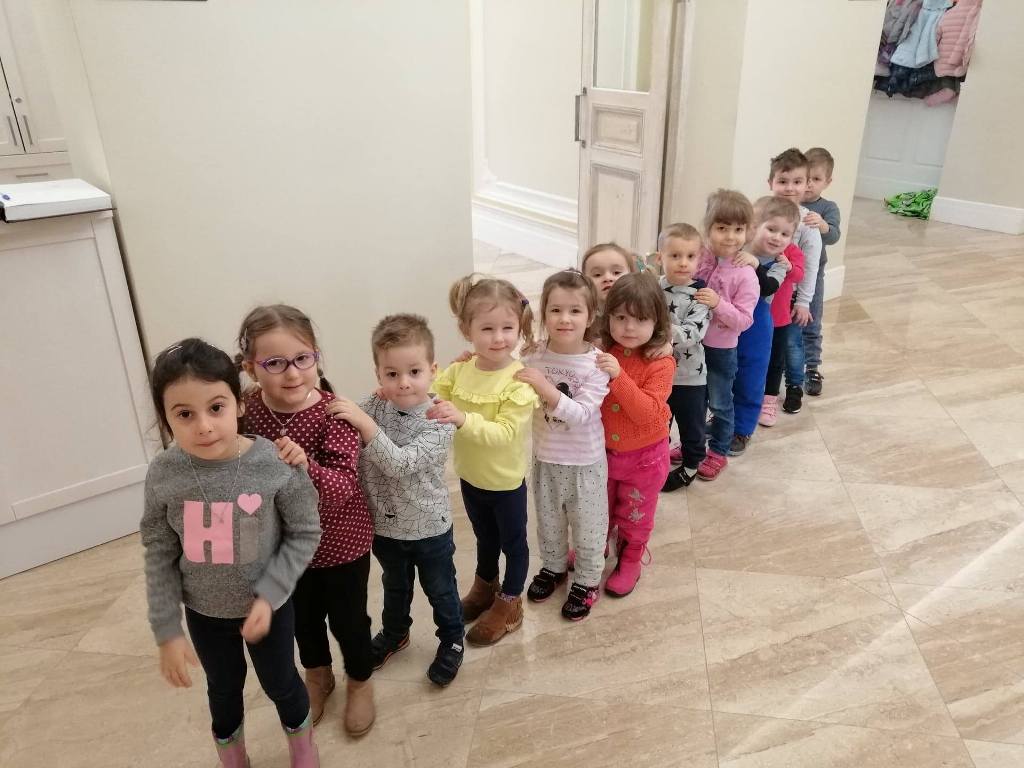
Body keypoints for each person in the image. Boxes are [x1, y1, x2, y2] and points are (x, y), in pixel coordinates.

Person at [140, 338, 322, 768]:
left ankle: (304, 750)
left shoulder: (275, 462)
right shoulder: (164, 473)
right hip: (205, 613)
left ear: (239, 404)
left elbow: (304, 532)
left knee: (281, 682)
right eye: (185, 414)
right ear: (165, 418)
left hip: (269, 609)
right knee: (222, 690)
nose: (204, 426)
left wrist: (270, 594)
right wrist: (166, 628)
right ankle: (233, 758)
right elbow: (158, 549)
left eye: (216, 407)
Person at [236, 305, 375, 735]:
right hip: (285, 551)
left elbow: (341, 490)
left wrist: (305, 466)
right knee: (303, 621)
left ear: (316, 357)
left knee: (350, 622)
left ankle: (360, 680)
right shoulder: (247, 411)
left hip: (341, 544)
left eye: (302, 359)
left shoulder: (336, 414)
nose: (293, 373)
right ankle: (318, 675)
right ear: (252, 368)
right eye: (275, 363)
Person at [326, 314, 465, 686]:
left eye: (414, 372)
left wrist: (365, 424)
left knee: (440, 589)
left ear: (432, 370)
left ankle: (452, 639)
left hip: (429, 529)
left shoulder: (439, 419)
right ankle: (395, 633)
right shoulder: (375, 406)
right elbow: (344, 418)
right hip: (386, 528)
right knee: (395, 586)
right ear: (379, 374)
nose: (403, 382)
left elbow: (400, 465)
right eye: (392, 374)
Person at [428, 275, 539, 645]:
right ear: (467, 330)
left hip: (505, 482)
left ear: (519, 328)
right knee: (484, 538)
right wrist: (406, 387)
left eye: (508, 328)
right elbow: (433, 395)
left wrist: (463, 418)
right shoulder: (461, 370)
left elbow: (504, 433)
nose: (498, 338)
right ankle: (484, 587)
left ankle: (510, 602)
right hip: (471, 476)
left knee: (514, 544)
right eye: (487, 329)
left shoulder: (519, 380)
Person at [516, 269, 610, 620]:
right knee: (549, 522)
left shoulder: (596, 364)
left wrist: (545, 388)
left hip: (585, 463)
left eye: (575, 310)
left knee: (588, 528)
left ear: (591, 315)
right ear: (544, 313)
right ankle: (554, 567)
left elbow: (582, 413)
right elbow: (506, 378)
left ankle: (587, 580)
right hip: (545, 459)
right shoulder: (534, 355)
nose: (564, 318)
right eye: (555, 310)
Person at [598, 272, 675, 596]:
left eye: (640, 319)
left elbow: (646, 413)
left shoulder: (661, 362)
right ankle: (596, 546)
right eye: (620, 318)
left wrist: (618, 376)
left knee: (635, 513)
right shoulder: (604, 350)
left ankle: (630, 559)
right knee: (598, 507)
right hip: (602, 454)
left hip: (645, 459)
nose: (629, 327)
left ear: (656, 322)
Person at [693, 190, 759, 480]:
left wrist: (718, 304)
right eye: (722, 228)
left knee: (720, 404)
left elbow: (744, 321)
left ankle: (718, 451)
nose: (731, 237)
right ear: (708, 228)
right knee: (694, 402)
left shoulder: (746, 275)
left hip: (721, 350)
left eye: (738, 229)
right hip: (691, 347)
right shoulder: (699, 259)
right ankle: (693, 446)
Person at [729, 197, 797, 455]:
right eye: (771, 229)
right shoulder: (737, 249)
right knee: (725, 374)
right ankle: (722, 419)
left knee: (751, 376)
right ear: (754, 225)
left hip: (757, 327)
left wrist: (755, 264)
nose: (777, 238)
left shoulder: (779, 264)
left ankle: (742, 429)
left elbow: (768, 288)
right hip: (727, 323)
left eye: (785, 234)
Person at [654, 223, 711, 490]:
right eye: (675, 255)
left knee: (692, 426)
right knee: (658, 423)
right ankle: (657, 461)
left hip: (690, 377)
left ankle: (690, 466)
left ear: (699, 259)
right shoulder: (653, 289)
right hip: (656, 375)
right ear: (660, 258)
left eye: (690, 256)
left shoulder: (701, 296)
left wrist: (656, 330)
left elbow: (693, 332)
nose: (683, 263)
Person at [766, 147, 822, 414]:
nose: (789, 188)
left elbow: (810, 268)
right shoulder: (762, 215)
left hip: (791, 296)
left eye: (797, 182)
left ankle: (795, 385)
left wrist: (803, 302)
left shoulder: (808, 225)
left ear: (807, 184)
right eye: (783, 181)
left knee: (791, 343)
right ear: (771, 183)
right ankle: (764, 385)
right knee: (768, 343)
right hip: (764, 293)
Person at [800, 146, 842, 397]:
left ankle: (812, 366)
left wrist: (824, 225)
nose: (809, 185)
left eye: (816, 179)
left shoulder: (827, 208)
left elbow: (834, 235)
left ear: (827, 182)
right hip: (787, 274)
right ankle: (786, 362)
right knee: (786, 320)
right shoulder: (790, 203)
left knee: (812, 320)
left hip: (813, 275)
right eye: (806, 178)